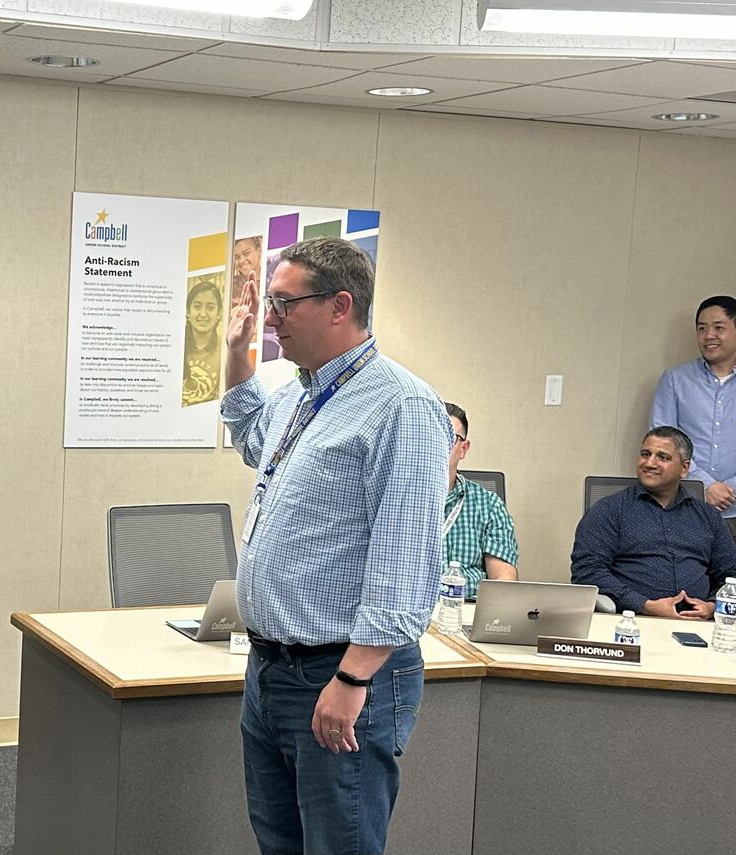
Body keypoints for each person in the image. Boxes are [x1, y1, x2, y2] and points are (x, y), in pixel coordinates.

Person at [220, 236, 450, 855]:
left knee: (338, 845)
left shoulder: (401, 406)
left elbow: (403, 559)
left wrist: (352, 678)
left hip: (340, 672)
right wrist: (238, 358)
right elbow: (252, 440)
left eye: (283, 305)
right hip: (272, 670)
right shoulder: (303, 390)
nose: (270, 319)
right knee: (280, 842)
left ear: (339, 305)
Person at [651, 295, 736, 569]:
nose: (708, 335)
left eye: (718, 327)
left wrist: (731, 488)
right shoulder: (675, 379)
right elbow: (663, 439)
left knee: (730, 590)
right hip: (683, 504)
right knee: (677, 586)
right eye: (701, 328)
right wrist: (705, 486)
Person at [571, 426, 736, 618]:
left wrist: (712, 606)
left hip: (699, 626)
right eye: (645, 454)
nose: (649, 463)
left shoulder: (707, 517)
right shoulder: (610, 510)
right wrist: (643, 604)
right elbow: (587, 570)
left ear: (684, 468)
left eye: (662, 457)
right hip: (632, 622)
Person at [442, 403, 518, 599]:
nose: (439, 445)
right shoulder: (398, 500)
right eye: (433, 435)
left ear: (463, 449)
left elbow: (503, 580)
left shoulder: (489, 505)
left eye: (449, 437)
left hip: (468, 609)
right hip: (413, 613)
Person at [182, 274, 224, 406]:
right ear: (188, 311)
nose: (203, 314)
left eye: (210, 308)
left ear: (218, 314)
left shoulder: (224, 345)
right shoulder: (177, 344)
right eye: (197, 307)